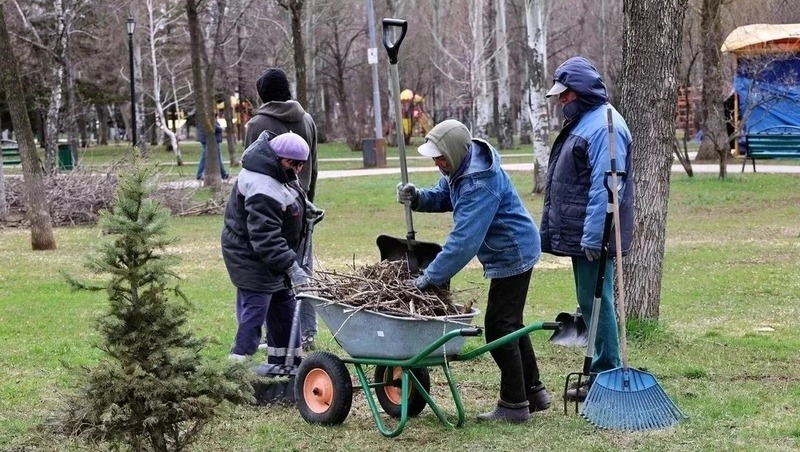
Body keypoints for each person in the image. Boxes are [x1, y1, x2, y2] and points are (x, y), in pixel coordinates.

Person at [397, 119, 549, 423]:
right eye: (435, 158)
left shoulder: (479, 182)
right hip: (509, 249)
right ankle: (533, 392)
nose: (438, 163)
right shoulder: (460, 166)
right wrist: (417, 198)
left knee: (499, 327)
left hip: (513, 252)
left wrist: (429, 278)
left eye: (441, 157)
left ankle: (514, 405)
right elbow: (443, 196)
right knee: (511, 324)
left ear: (454, 152)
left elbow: (463, 243)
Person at [540, 56, 634, 402]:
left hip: (595, 233)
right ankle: (600, 369)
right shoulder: (588, 121)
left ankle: (606, 371)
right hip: (583, 232)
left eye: (565, 95)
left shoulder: (605, 126)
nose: (562, 102)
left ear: (580, 92)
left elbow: (606, 188)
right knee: (589, 301)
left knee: (599, 302)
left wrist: (594, 237)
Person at [221, 131, 312, 365]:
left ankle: (287, 366)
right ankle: (238, 368)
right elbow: (265, 236)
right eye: (293, 164)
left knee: (285, 308)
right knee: (255, 311)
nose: (298, 170)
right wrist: (292, 266)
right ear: (277, 158)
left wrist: (303, 209)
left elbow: (287, 195)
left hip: (269, 257)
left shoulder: (277, 169)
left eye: (302, 164)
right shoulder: (261, 184)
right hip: (250, 256)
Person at [245, 67, 320, 350]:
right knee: (302, 269)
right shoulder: (307, 120)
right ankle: (307, 333)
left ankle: (273, 335)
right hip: (301, 208)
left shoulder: (257, 124)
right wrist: (307, 202)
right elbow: (314, 168)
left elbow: (249, 167)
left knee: (271, 269)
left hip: (269, 207)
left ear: (263, 94)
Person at [196, 116, 229, 180]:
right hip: (210, 141)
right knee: (213, 157)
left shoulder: (206, 118)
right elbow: (215, 128)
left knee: (207, 157)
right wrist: (221, 129)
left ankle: (223, 174)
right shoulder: (209, 118)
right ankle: (223, 174)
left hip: (208, 140)